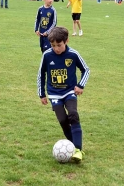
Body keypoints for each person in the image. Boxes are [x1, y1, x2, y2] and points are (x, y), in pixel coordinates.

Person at [37, 26, 90, 163]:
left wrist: (80, 85)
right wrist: (41, 94)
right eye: (53, 45)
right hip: (54, 94)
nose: (56, 48)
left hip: (69, 91)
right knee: (63, 121)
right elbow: (41, 74)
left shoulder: (73, 54)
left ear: (66, 41)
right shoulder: (47, 55)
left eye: (59, 45)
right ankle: (72, 146)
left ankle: (78, 150)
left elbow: (86, 69)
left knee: (73, 114)